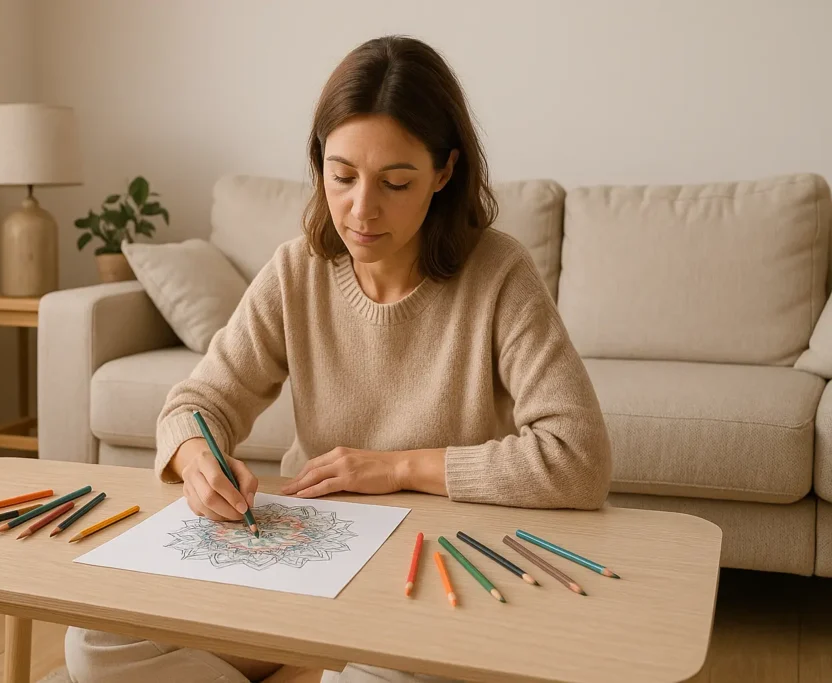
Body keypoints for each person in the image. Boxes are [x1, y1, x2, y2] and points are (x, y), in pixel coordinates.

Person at [65, 34, 612, 683]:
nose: (360, 209)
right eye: (342, 175)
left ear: (444, 172)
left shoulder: (500, 274)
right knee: (94, 640)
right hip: (307, 558)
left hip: (430, 564)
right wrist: (197, 460)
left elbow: (579, 457)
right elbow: (195, 404)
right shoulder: (298, 269)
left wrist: (397, 467)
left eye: (396, 181)